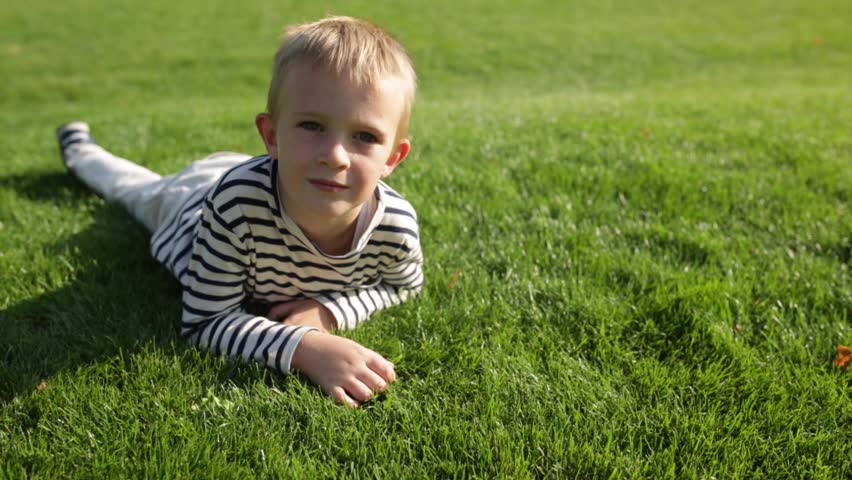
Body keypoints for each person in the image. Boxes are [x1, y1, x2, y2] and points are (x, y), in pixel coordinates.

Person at [55, 16, 423, 407]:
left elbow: (403, 284)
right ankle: (81, 150)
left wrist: (330, 312)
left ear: (393, 157)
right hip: (191, 204)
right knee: (131, 190)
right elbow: (204, 321)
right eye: (312, 125)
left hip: (277, 172)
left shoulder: (394, 225)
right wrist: (306, 348)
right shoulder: (236, 207)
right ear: (271, 135)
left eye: (364, 136)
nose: (335, 157)